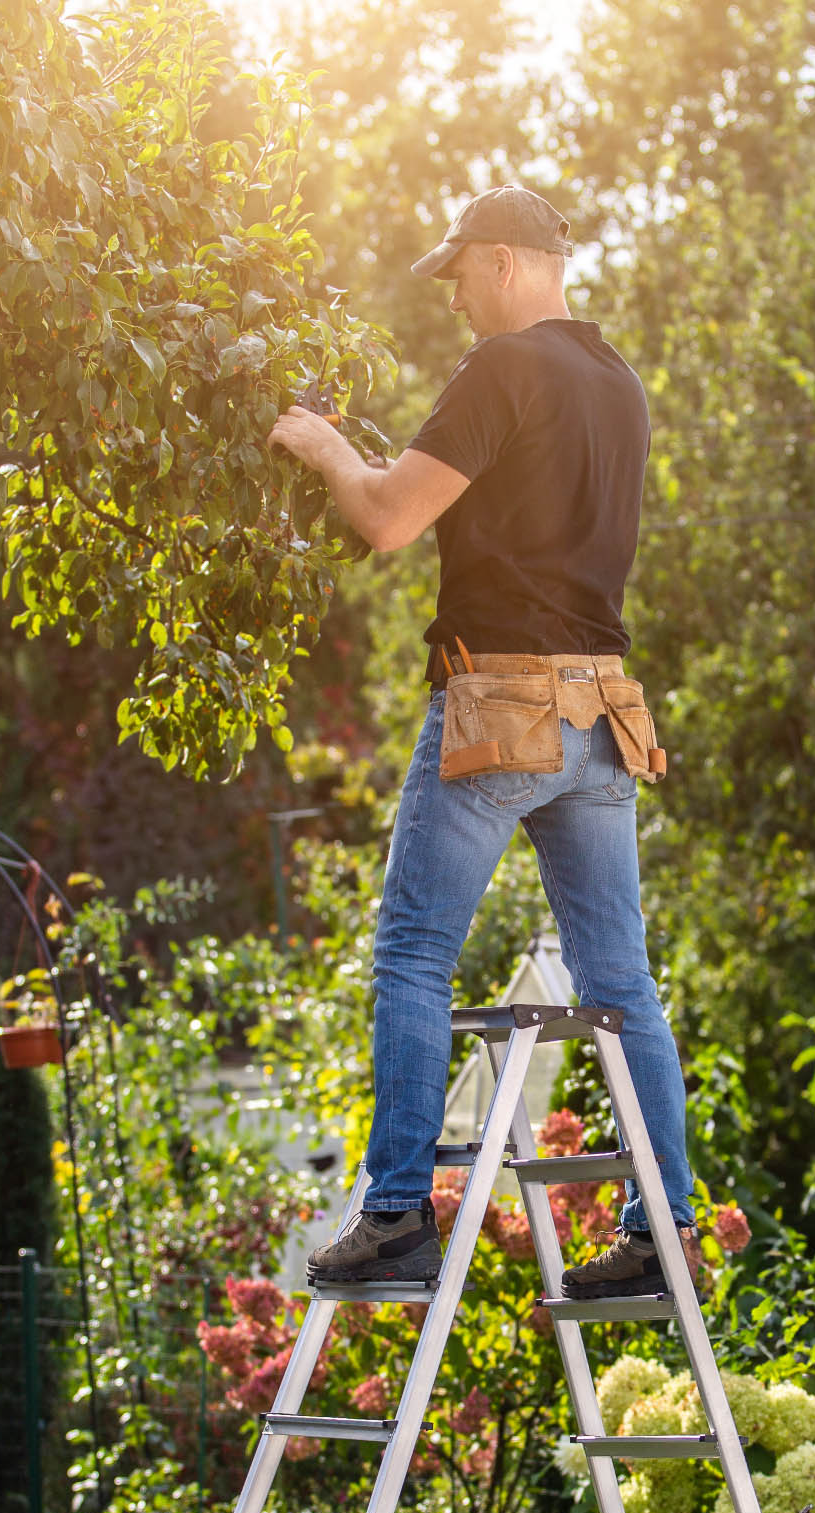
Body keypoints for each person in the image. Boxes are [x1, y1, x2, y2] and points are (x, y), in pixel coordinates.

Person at [268, 186, 692, 1300]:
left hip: (501, 704)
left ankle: (397, 1213)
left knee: (412, 952)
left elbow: (384, 517)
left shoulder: (503, 369)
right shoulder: (619, 385)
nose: (453, 296)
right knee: (621, 983)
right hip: (603, 714)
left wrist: (321, 446)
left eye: (458, 274)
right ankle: (665, 1231)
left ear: (505, 262)